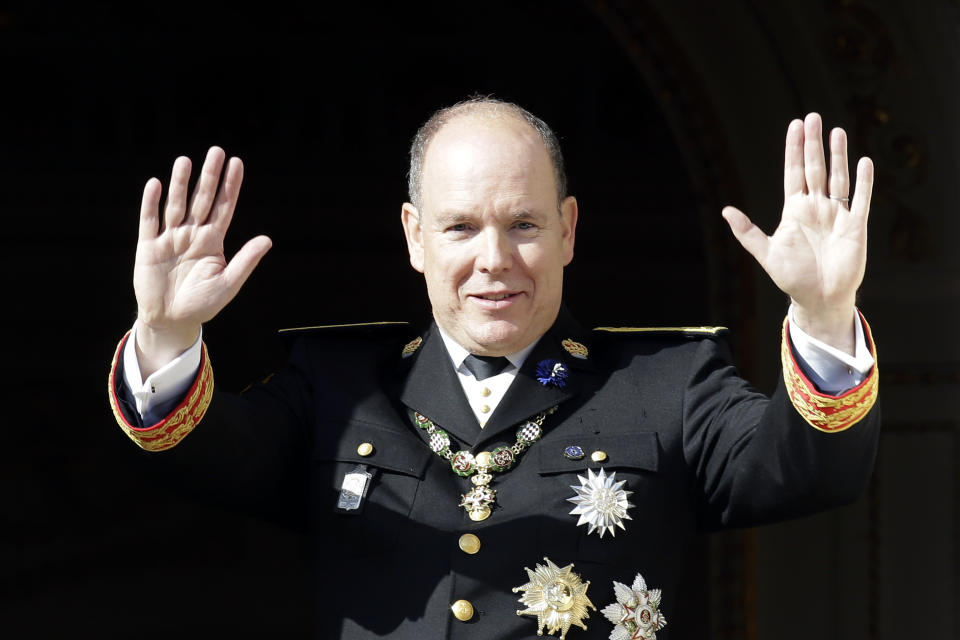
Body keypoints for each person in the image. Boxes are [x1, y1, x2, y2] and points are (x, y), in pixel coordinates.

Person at [107, 98, 879, 639]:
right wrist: (167, 333)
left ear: (569, 229)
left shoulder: (665, 384)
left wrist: (823, 315)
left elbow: (808, 471)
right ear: (414, 237)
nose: (494, 260)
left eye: (524, 225)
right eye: (460, 226)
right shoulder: (337, 386)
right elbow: (203, 460)